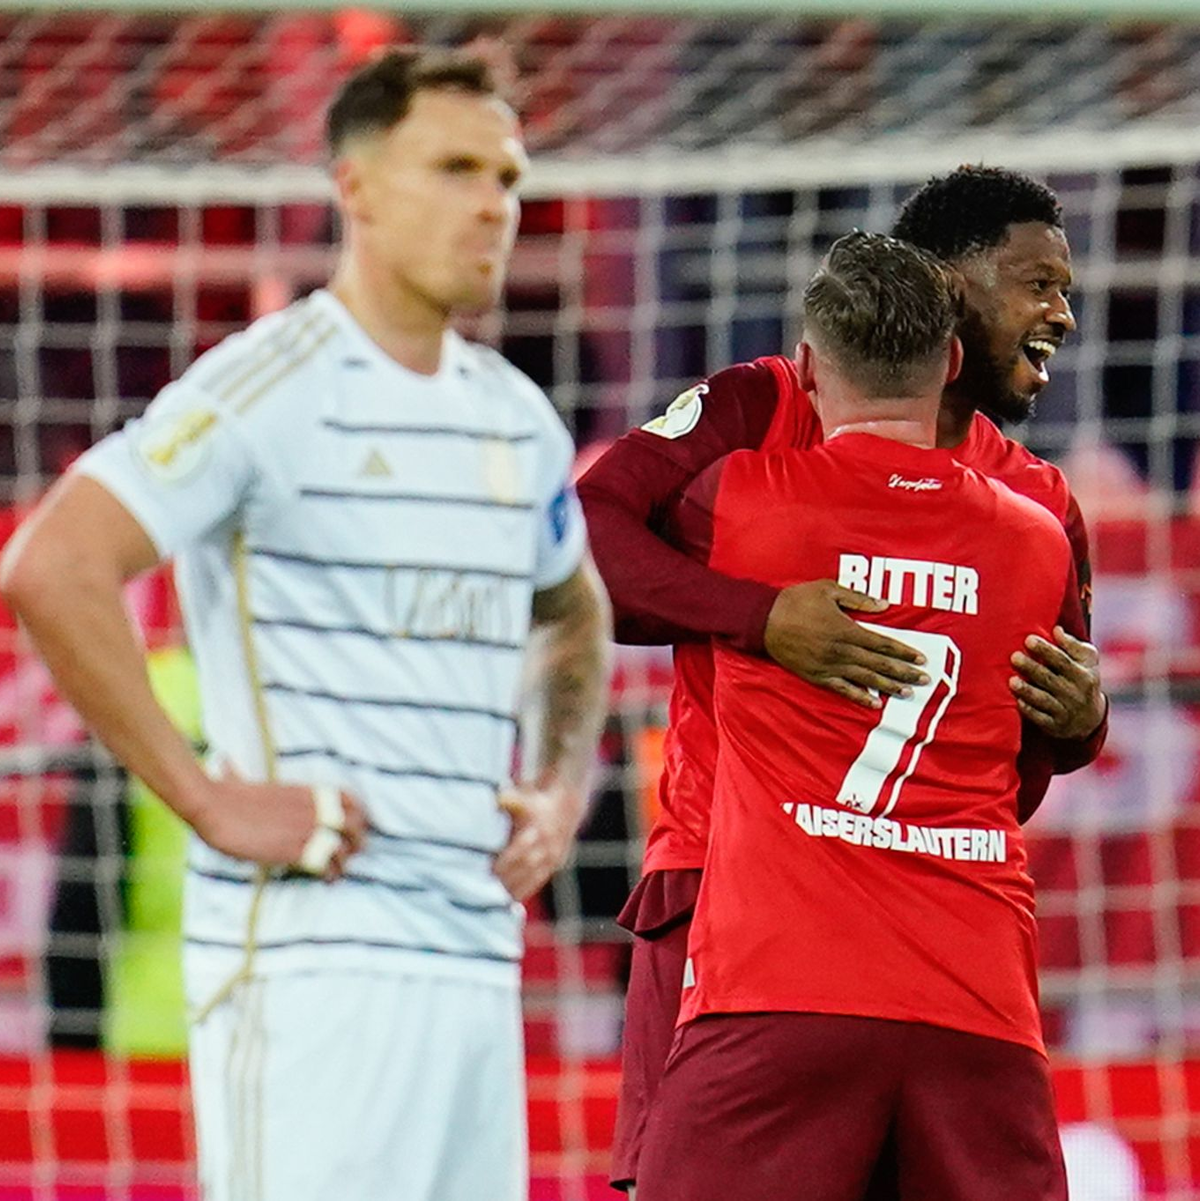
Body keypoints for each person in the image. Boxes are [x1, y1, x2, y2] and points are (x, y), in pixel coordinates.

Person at [1, 49, 611, 1201]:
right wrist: (209, 799)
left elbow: (574, 606)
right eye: (454, 168)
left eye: (508, 174)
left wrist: (567, 779)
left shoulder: (515, 418)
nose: (493, 203)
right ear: (356, 187)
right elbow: (53, 564)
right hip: (315, 964)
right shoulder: (267, 387)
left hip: (477, 962)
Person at [577, 166, 1108, 1195]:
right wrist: (760, 618)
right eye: (1036, 283)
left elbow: (1036, 749)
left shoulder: (1042, 502)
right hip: (721, 896)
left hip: (917, 935)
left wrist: (1085, 717)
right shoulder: (763, 405)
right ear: (947, 292)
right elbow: (588, 533)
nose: (1063, 314)